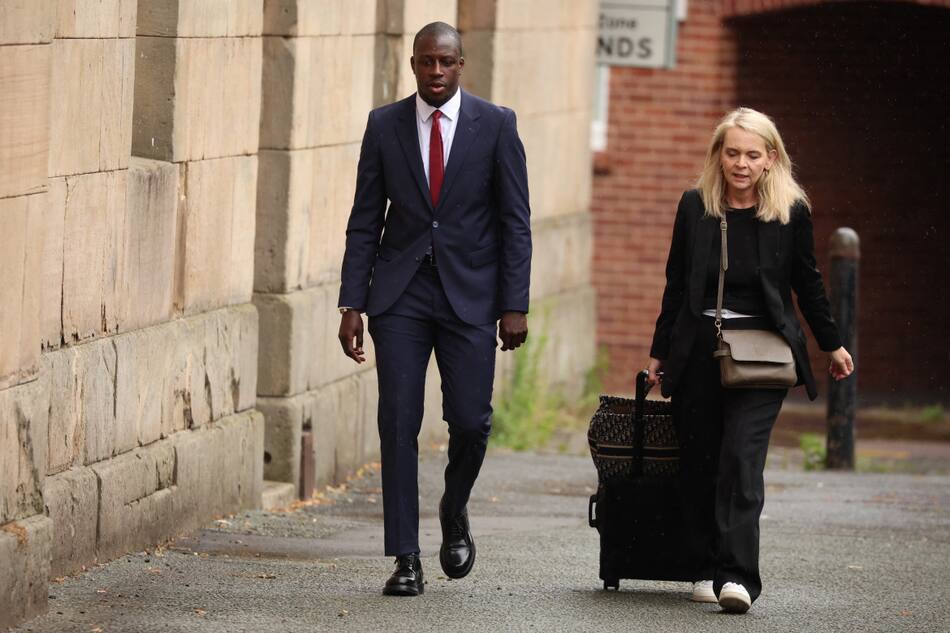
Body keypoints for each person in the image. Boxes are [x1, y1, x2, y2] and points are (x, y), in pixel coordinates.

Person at [337, 22, 531, 597]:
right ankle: (405, 558)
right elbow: (365, 218)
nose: (436, 72)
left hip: (471, 295)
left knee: (471, 420)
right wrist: (353, 301)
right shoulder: (384, 125)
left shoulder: (496, 126)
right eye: (426, 63)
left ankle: (454, 506)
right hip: (400, 296)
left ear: (461, 64)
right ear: (414, 66)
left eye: (446, 62)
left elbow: (515, 222)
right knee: (397, 420)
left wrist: (513, 305)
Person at [646, 107, 853, 614]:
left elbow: (808, 283)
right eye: (732, 152)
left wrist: (831, 342)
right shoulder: (695, 206)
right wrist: (659, 353)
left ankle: (737, 576)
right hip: (698, 350)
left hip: (762, 355)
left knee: (741, 459)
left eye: (752, 155)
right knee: (699, 461)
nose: (741, 163)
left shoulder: (790, 212)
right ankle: (703, 563)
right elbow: (677, 284)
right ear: (719, 155)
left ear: (770, 158)